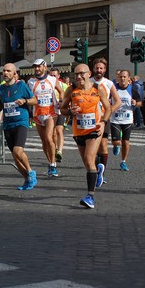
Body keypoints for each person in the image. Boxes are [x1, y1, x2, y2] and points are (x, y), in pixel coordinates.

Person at [59, 64, 111, 209]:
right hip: (79, 131)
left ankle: (90, 197)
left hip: (94, 129)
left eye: (81, 74)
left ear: (89, 74)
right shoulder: (71, 89)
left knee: (89, 159)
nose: (79, 77)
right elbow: (62, 109)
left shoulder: (98, 89)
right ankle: (98, 170)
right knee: (88, 164)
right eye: (76, 74)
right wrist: (70, 111)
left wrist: (103, 122)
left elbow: (108, 108)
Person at [0, 63, 37, 190]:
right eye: (4, 71)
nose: (5, 73)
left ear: (14, 73)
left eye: (8, 71)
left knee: (18, 151)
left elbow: (35, 100)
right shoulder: (0, 89)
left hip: (21, 122)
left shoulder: (21, 86)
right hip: (8, 124)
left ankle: (30, 172)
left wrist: (25, 101)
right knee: (15, 156)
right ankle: (27, 180)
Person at [27, 59, 64, 177]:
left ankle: (53, 165)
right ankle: (50, 161)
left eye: (39, 67)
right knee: (44, 142)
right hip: (38, 114)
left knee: (49, 138)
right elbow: (29, 96)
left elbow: (61, 91)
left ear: (45, 67)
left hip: (51, 113)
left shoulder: (52, 79)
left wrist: (61, 101)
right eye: (35, 67)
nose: (37, 69)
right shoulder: (31, 82)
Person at [91, 57, 121, 185]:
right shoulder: (88, 82)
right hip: (90, 118)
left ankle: (101, 173)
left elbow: (118, 101)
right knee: (93, 147)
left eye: (101, 68)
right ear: (93, 69)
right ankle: (95, 169)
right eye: (97, 68)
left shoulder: (109, 83)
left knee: (103, 144)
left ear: (105, 70)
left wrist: (109, 111)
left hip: (103, 118)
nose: (99, 70)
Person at [110, 69, 141, 171]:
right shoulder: (114, 89)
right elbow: (107, 100)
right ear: (118, 78)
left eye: (125, 77)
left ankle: (123, 161)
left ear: (129, 79)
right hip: (115, 119)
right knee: (117, 142)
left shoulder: (132, 90)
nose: (122, 78)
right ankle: (116, 145)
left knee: (126, 142)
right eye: (121, 77)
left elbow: (140, 103)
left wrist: (135, 103)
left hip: (127, 119)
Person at [49, 67, 67, 162]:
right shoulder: (47, 85)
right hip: (51, 111)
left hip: (60, 110)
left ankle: (59, 151)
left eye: (54, 76)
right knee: (53, 133)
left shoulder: (63, 86)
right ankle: (55, 148)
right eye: (51, 75)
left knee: (59, 130)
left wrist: (62, 102)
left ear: (58, 76)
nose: (53, 77)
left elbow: (68, 97)